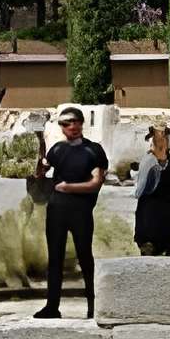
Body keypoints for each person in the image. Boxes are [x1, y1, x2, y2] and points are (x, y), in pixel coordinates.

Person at [32, 105, 110, 319]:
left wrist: (69, 187)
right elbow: (40, 173)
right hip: (57, 209)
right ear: (62, 127)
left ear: (81, 123)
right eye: (66, 123)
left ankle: (94, 304)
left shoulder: (93, 150)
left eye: (75, 121)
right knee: (54, 258)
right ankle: (52, 306)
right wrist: (39, 147)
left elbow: (96, 183)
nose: (72, 126)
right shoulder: (57, 149)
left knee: (85, 257)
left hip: (81, 210)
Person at [133, 122, 170, 256]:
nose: (161, 143)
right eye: (157, 140)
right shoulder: (148, 162)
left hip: (168, 223)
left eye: (164, 139)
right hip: (149, 223)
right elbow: (141, 192)